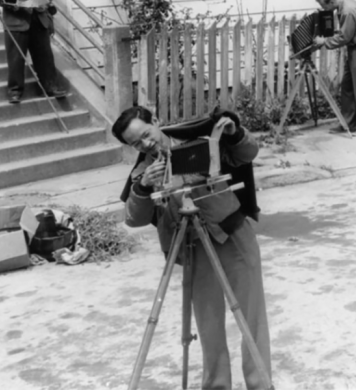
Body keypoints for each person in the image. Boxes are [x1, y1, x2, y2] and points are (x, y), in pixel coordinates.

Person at [113, 106, 272, 390]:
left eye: (147, 135)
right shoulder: (144, 172)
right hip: (193, 247)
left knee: (252, 317)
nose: (146, 144)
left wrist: (234, 132)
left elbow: (247, 154)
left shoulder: (200, 143)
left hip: (233, 235)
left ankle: (260, 383)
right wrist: (145, 187)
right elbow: (133, 219)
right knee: (208, 323)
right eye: (137, 143)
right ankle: (217, 385)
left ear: (157, 122)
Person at [0, 0, 66, 104]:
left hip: (38, 21)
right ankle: (15, 91)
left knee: (45, 56)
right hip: (16, 22)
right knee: (16, 59)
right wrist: (20, 3)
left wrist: (42, 2)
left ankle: (51, 86)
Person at [313, 0, 356, 135]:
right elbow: (346, 32)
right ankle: (348, 124)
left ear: (332, 2)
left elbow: (344, 37)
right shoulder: (344, 4)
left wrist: (324, 41)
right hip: (355, 49)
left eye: (325, 7)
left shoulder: (348, 11)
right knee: (347, 87)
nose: (325, 10)